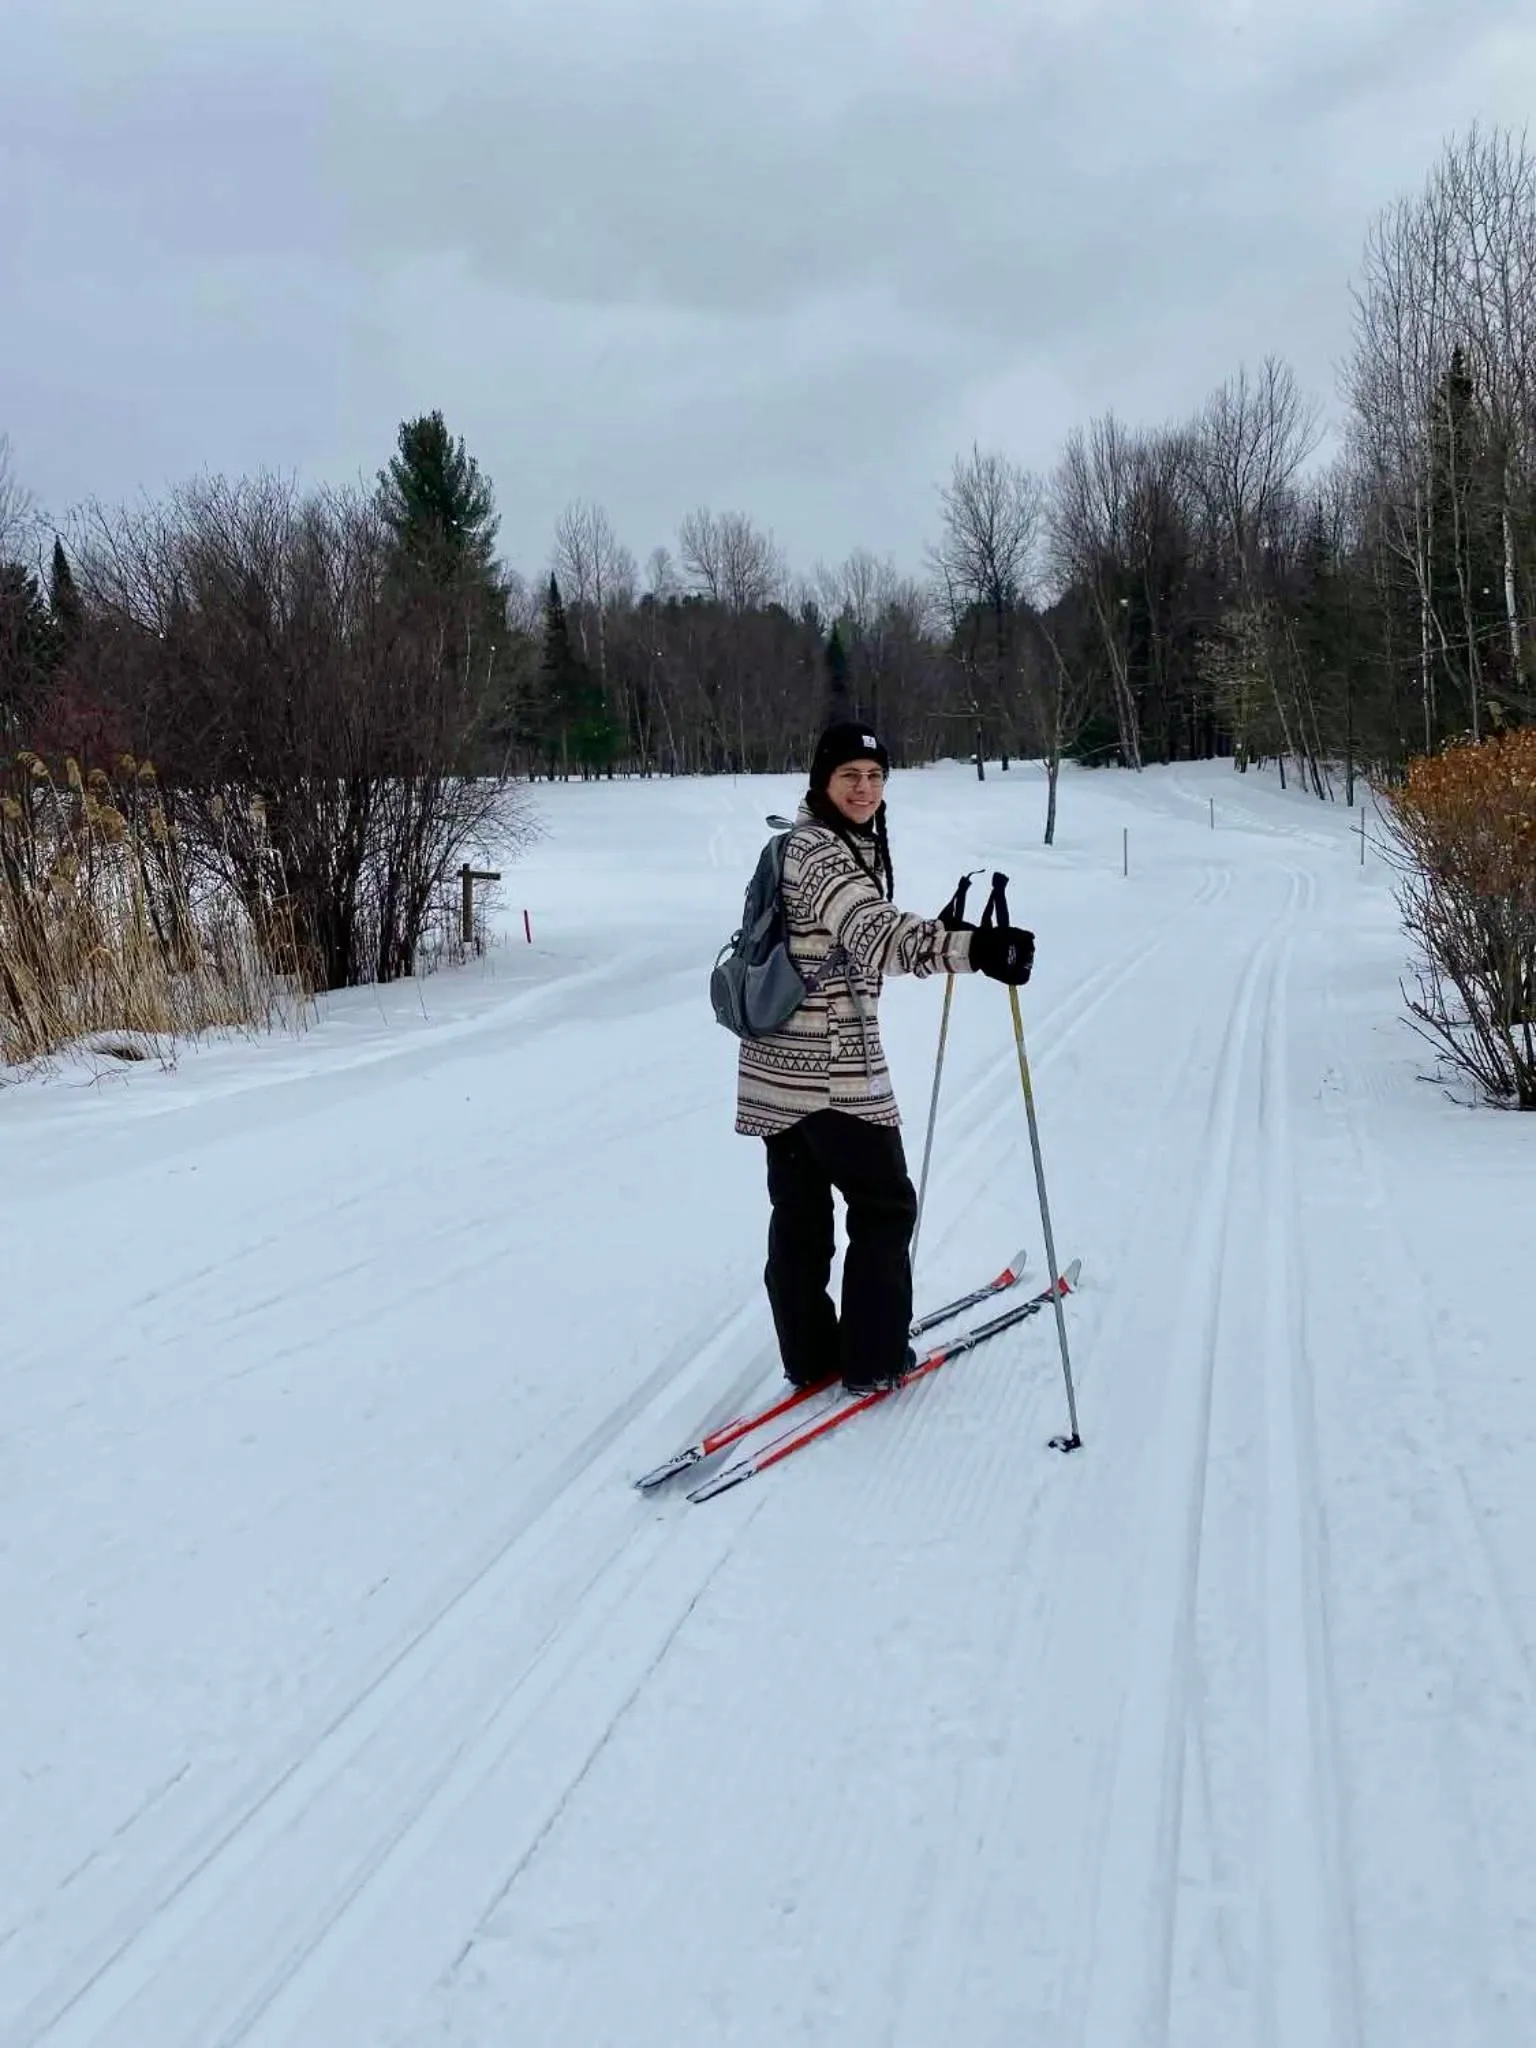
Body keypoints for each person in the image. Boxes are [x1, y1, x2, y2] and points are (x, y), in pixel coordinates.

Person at [735, 721, 1036, 1394]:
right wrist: (975, 949)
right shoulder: (822, 853)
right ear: (823, 781)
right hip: (832, 1071)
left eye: (874, 777)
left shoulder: (819, 844)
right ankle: (872, 1358)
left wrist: (940, 936)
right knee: (884, 1206)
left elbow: (851, 939)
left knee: (802, 1216)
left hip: (776, 1070)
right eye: (850, 777)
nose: (865, 789)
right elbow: (872, 935)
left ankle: (811, 1356)